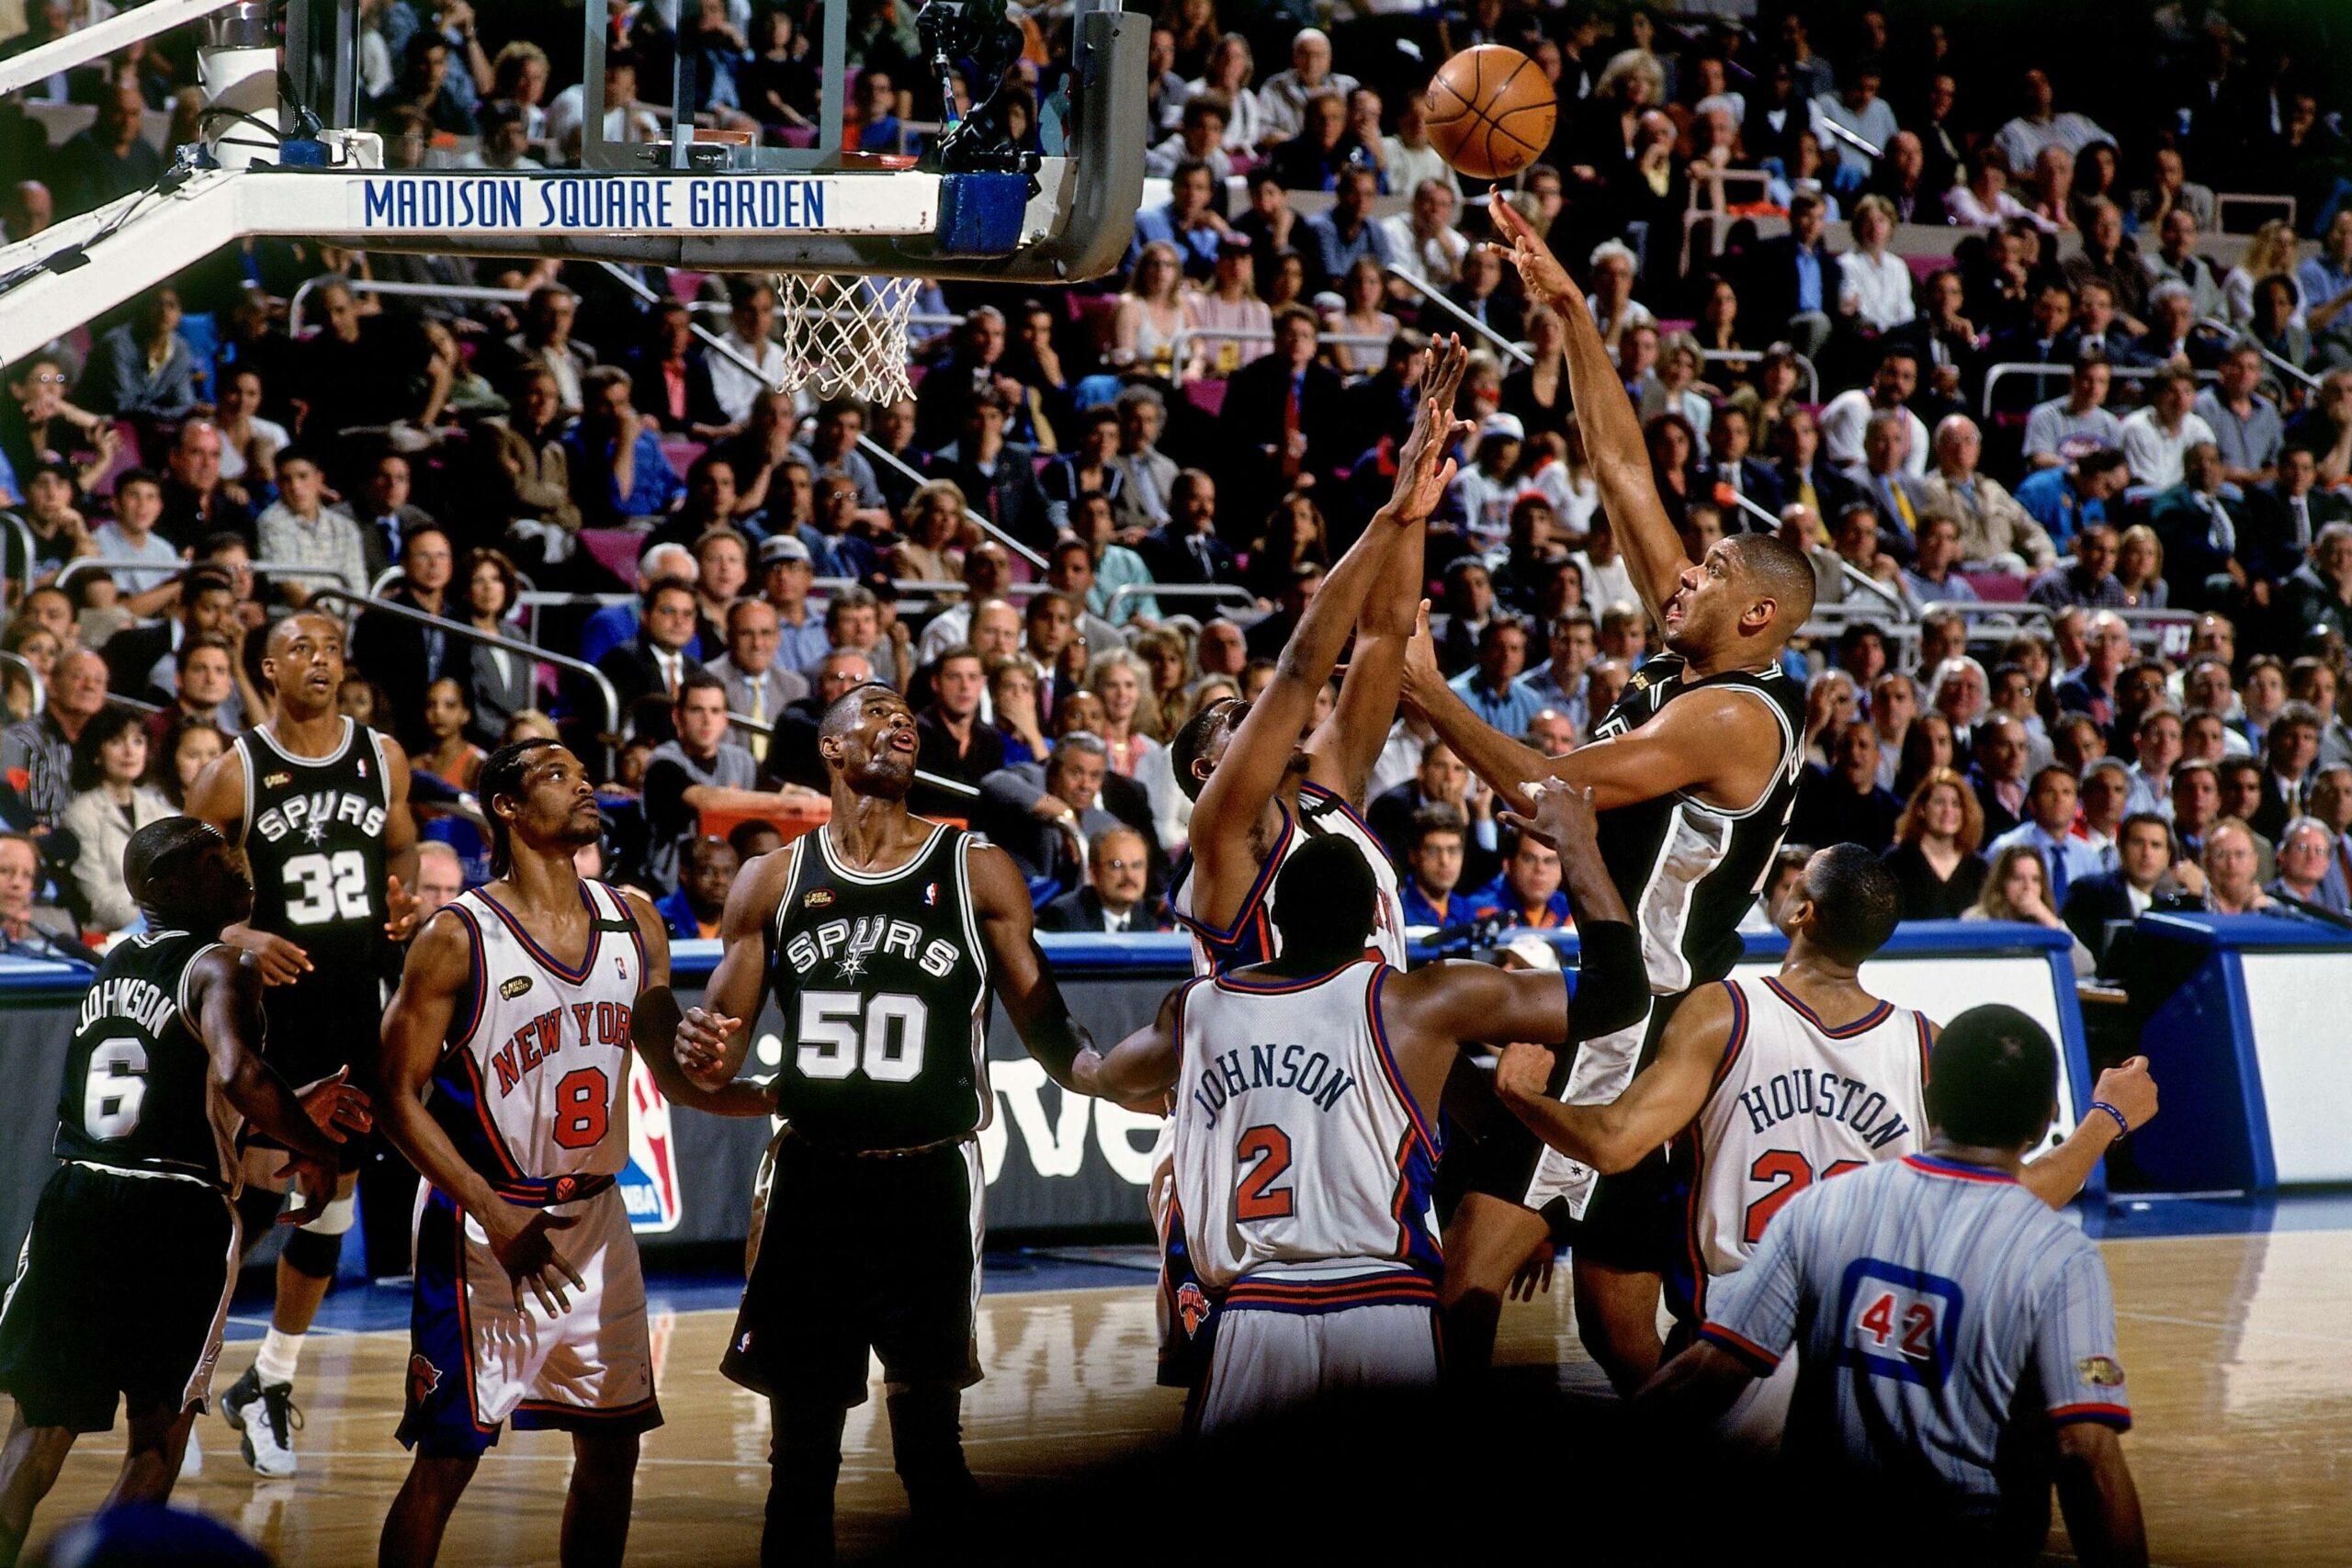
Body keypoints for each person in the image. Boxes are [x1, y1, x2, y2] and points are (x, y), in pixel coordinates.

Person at [1397, 195, 1817, 1388]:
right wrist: (1572, 312)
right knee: (1620, 1326)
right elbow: (1622, 466)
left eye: (1711, 570)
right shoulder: (1694, 659)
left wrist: (1430, 696)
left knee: (1465, 1280)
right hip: (1640, 999)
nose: (1681, 573)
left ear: (1756, 614)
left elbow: (1550, 786)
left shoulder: (1730, 714)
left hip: (1634, 1011)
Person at [666, 680, 1092, 1562]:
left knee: (931, 1453)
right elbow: (714, 1053)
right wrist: (695, 1043)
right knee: (800, 1464)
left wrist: (1107, 1074)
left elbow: (1048, 1023)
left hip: (929, 1178)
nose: (899, 723)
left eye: (906, 716)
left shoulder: (974, 866)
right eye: (875, 711)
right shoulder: (772, 878)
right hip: (813, 1179)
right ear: (830, 747)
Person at [1072, 783, 1641, 1431]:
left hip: (1257, 1314)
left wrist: (1057, 1030)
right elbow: (1620, 993)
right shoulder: (1420, 1004)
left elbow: (1102, 1078)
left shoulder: (1196, 1009)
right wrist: (1579, 846)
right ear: (1376, 917)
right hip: (1387, 1310)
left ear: (1277, 917)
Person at [1492, 846, 2152, 1382]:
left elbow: (1612, 1144)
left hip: (1737, 1342)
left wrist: (1523, 1097)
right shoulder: (1925, 1043)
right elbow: (2012, 1193)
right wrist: (2104, 1118)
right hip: (1872, 1353)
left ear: (1801, 910)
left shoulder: (1725, 1012)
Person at [375, 740, 771, 1568]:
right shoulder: (457, 935)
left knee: (614, 1448)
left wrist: (759, 1092)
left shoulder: (636, 918)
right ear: (508, 807)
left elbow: (672, 1072)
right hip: (484, 1222)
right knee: (447, 1461)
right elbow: (396, 1099)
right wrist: (494, 1213)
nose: (583, 784)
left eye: (585, 774)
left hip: (596, 1217)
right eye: (557, 775)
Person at [1638, 1006, 2149, 1567]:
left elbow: (1710, 1373)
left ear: (1930, 1099)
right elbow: (2085, 1452)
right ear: (2045, 1119)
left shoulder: (1819, 1209)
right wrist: (2105, 1118)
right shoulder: (2060, 1257)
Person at [0, 819, 359, 1568]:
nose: (237, 868)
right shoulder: (223, 963)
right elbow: (236, 1072)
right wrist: (319, 1146)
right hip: (170, 1216)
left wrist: (293, 1108)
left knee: (36, 1434)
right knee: (159, 1439)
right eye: (213, 862)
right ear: (163, 887)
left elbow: (181, 1098)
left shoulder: (114, 960)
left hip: (76, 1199)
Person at [178, 613, 418, 1479]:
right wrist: (240, 934)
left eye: (332, 648)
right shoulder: (233, 771)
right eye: (302, 649)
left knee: (330, 1204)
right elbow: (174, 896)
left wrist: (404, 902)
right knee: (240, 1206)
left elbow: (402, 845)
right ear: (269, 669)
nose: (321, 660)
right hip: (268, 1017)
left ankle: (269, 1379)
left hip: (354, 1005)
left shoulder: (382, 757)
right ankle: (181, 1386)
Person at [59, 706, 175, 931]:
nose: (129, 751)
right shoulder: (81, 815)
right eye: (116, 742)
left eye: (138, 741)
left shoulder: (159, 809)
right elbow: (98, 902)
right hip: (112, 933)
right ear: (96, 753)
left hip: (164, 927)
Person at [1882, 768, 1989, 920]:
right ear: (1921, 809)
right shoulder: (1896, 863)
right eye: (1939, 802)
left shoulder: (1978, 868)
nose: (1948, 810)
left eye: (1956, 804)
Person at [1038, 826, 1158, 932]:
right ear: (1093, 873)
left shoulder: (1154, 917)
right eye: (1116, 865)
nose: (1129, 876)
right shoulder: (1062, 917)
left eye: (1137, 865)